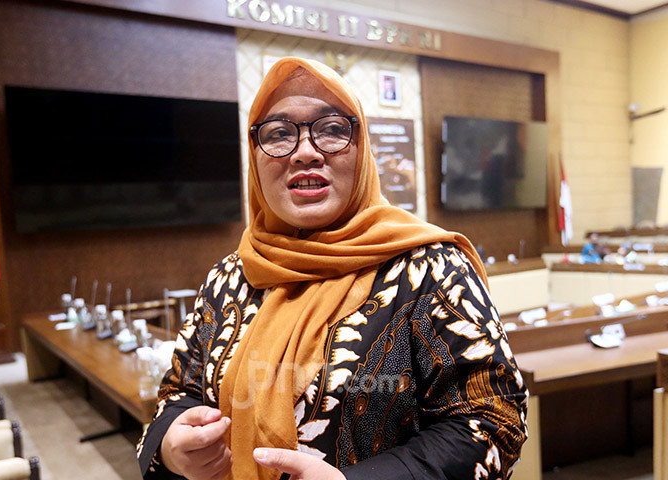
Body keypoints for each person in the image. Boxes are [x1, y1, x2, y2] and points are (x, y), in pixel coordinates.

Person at [137, 57, 528, 480]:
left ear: (362, 150)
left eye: (331, 130)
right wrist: (171, 444)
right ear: (255, 157)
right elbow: (179, 391)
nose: (305, 152)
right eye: (279, 134)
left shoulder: (431, 268)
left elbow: (493, 420)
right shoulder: (231, 276)